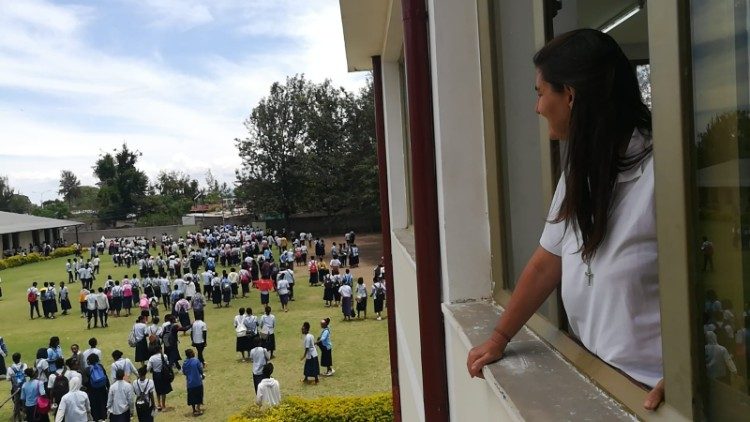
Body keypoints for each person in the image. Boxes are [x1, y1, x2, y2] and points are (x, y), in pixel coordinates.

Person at [466, 28, 665, 410]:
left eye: (541, 93)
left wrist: (693, 379)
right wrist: (498, 338)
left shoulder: (662, 174)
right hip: (597, 373)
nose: (538, 107)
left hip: (651, 394)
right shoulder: (583, 170)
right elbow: (547, 262)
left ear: (570, 96)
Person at [82, 353, 109, 422]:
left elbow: (85, 382)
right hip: (102, 390)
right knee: (103, 405)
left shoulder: (87, 370)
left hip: (92, 392)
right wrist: (108, 388)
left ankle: (96, 419)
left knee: (94, 408)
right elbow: (106, 378)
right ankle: (103, 418)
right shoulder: (100, 366)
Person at [146, 346, 172, 412]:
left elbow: (148, 368)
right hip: (164, 374)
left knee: (158, 389)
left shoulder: (151, 358)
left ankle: (159, 404)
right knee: (164, 391)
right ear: (160, 349)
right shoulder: (164, 356)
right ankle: (163, 405)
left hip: (156, 375)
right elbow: (167, 364)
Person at [181, 349, 204, 416]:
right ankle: (198, 408)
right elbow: (200, 370)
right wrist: (202, 374)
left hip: (190, 383)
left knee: (192, 397)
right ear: (192, 354)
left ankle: (194, 410)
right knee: (199, 395)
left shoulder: (185, 363)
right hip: (198, 382)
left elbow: (184, 372)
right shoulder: (196, 360)